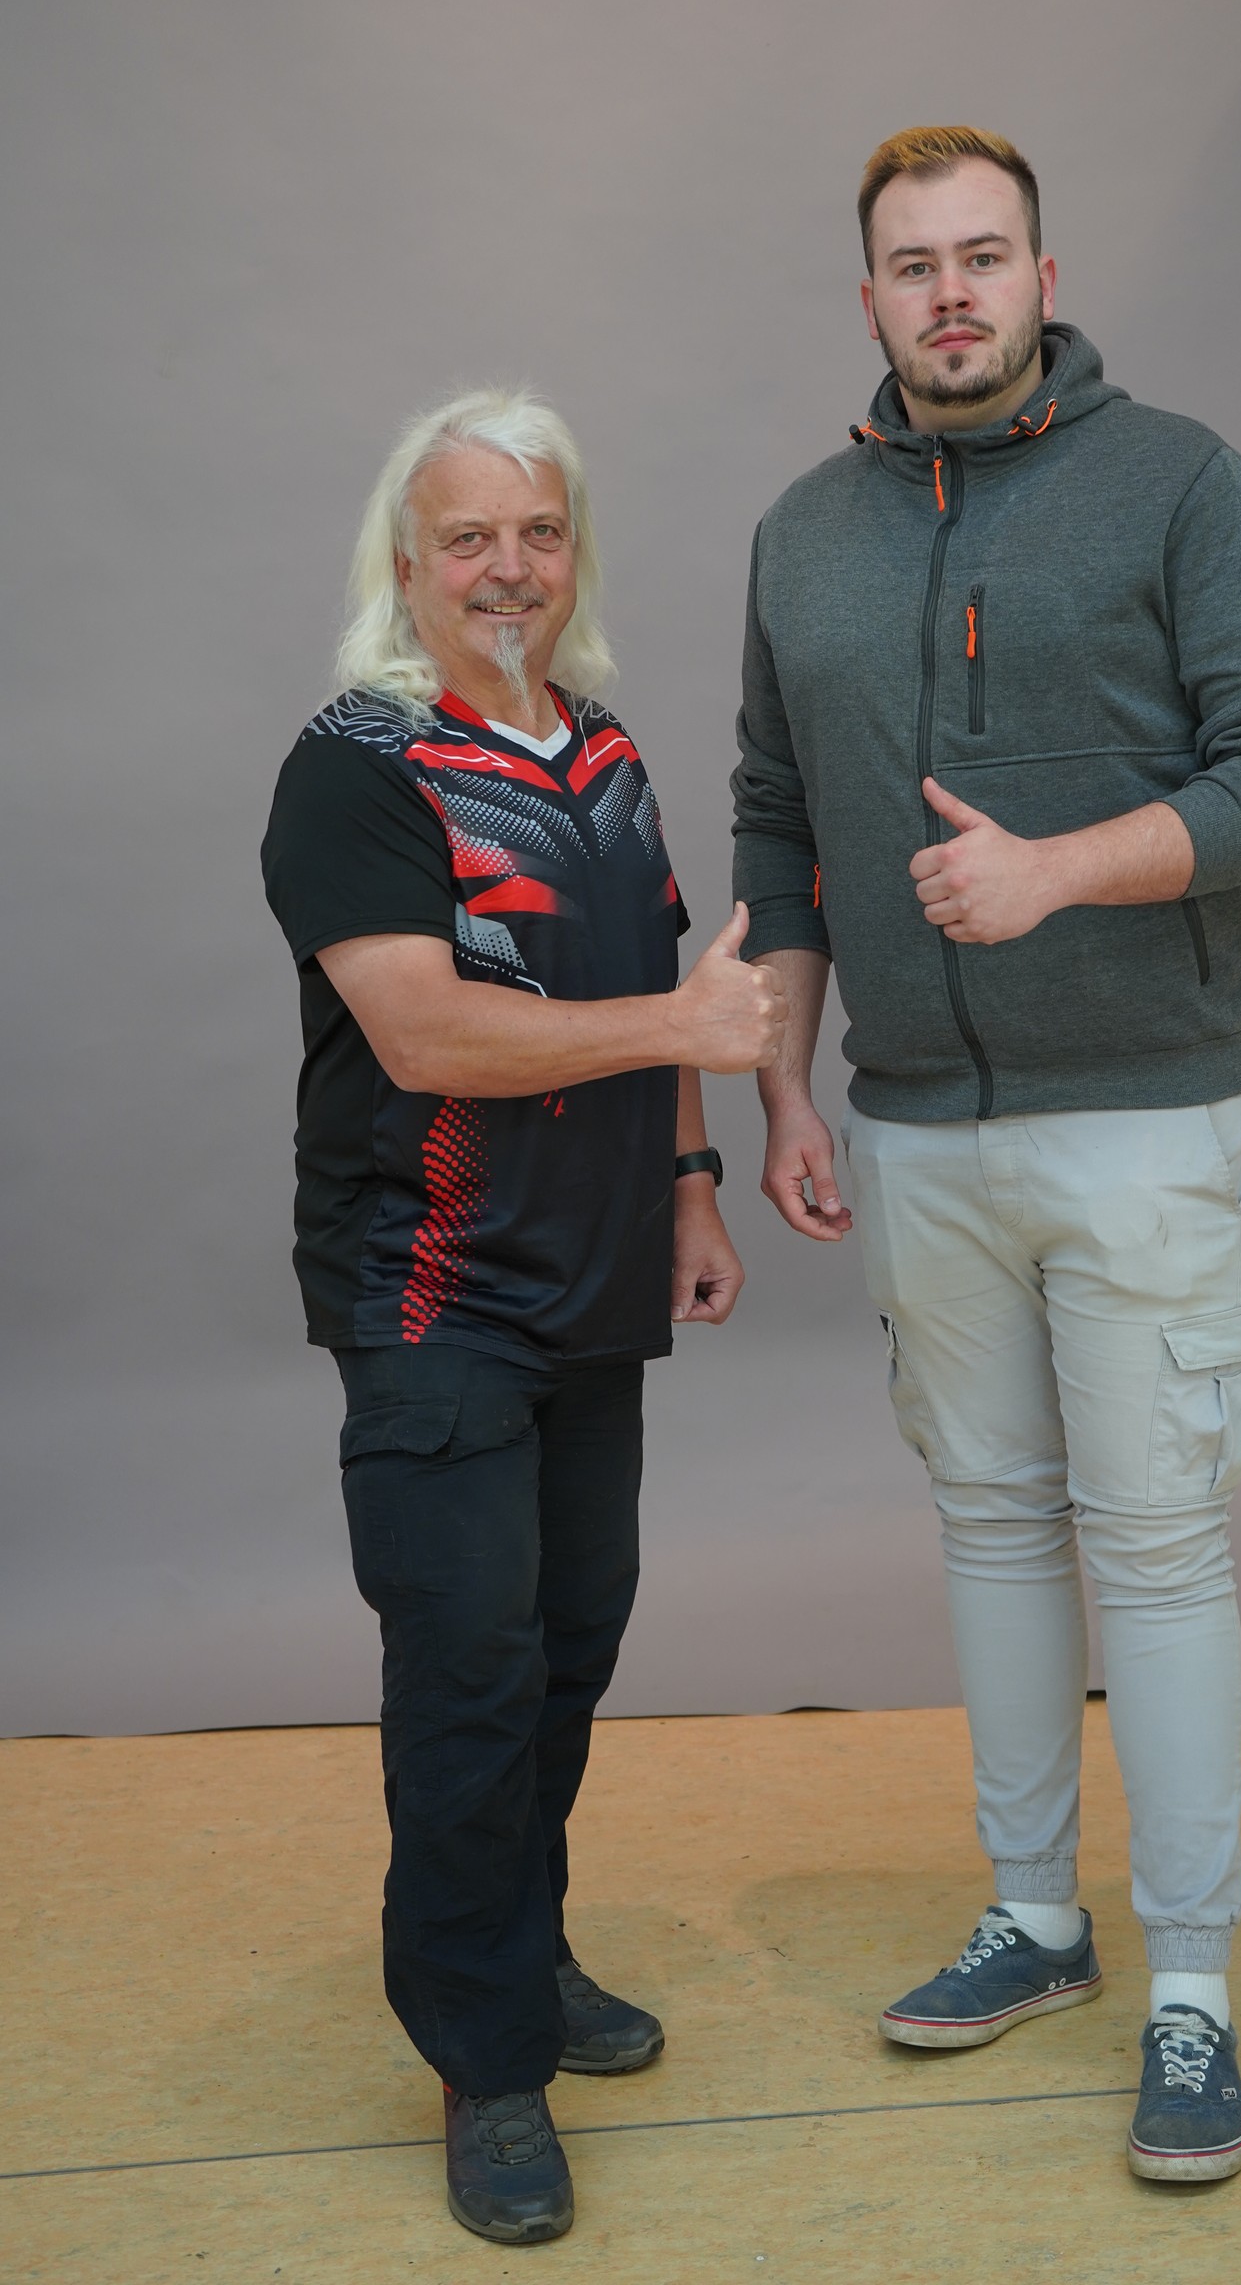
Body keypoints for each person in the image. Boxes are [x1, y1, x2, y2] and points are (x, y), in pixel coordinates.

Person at [732, 127, 1241, 2183]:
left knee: (1156, 1549)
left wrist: (1058, 872)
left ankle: (1193, 1990)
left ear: (1041, 276)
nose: (951, 293)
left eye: (981, 255)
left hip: (1147, 1118)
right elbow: (774, 822)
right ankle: (1033, 1920)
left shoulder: (1181, 482)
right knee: (993, 1529)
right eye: (913, 265)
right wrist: (784, 1088)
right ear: (870, 299)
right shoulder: (801, 532)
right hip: (913, 1128)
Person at [262, 390, 786, 2245]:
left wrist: (692, 1184)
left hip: (595, 1286)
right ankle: (487, 2063)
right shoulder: (359, 761)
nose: (508, 567)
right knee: (469, 1673)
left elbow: (670, 980)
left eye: (539, 533)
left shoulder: (602, 750)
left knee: (567, 1646)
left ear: (575, 555)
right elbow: (425, 1034)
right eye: (469, 536)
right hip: (433, 1295)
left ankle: (521, 1948)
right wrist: (684, 1033)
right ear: (406, 563)